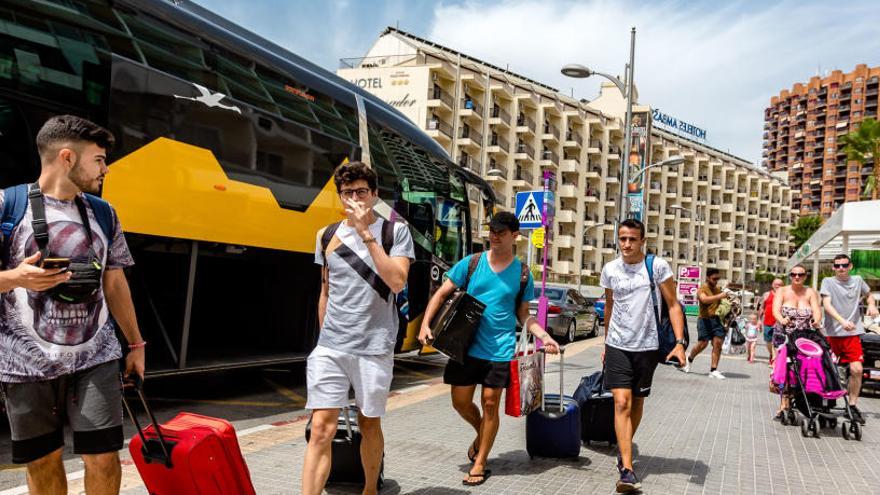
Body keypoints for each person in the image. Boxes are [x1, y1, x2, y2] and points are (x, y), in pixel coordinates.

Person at [0, 115, 143, 495]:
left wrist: (136, 344)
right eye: (98, 159)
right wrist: (15, 278)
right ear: (67, 157)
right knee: (43, 461)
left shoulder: (103, 213)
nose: (105, 168)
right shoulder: (6, 204)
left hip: (95, 358)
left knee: (104, 459)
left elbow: (115, 281)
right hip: (24, 364)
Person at [418, 211, 560, 487]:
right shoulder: (471, 263)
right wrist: (425, 325)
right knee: (460, 402)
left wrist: (543, 335)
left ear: (514, 236)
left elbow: (523, 314)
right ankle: (481, 433)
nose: (494, 236)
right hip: (464, 346)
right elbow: (442, 293)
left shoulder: (521, 274)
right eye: (491, 231)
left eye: (500, 232)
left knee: (491, 404)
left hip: (500, 349)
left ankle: (480, 462)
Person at [302, 162, 414, 495]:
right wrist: (323, 340)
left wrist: (366, 234)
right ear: (339, 197)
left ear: (374, 194)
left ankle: (368, 489)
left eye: (361, 192)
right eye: (348, 193)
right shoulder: (325, 235)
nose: (355, 199)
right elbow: (326, 291)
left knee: (369, 422)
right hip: (332, 347)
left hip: (374, 347)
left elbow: (396, 281)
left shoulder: (396, 232)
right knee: (321, 429)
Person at [600, 218, 686, 493]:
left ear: (642, 241)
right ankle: (627, 468)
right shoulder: (610, 269)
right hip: (617, 344)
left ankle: (624, 447)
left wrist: (680, 342)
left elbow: (673, 304)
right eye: (622, 238)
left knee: (636, 402)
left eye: (632, 239)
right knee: (621, 402)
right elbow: (610, 304)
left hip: (648, 345)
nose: (626, 244)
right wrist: (605, 342)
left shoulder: (657, 266)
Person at [820, 254, 879, 425]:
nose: (840, 268)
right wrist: (841, 321)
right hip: (831, 334)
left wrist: (872, 305)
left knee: (857, 370)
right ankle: (825, 402)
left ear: (850, 266)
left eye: (844, 265)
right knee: (826, 370)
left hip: (852, 335)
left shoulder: (858, 280)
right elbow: (827, 304)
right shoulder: (828, 282)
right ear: (833, 267)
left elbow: (869, 295)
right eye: (837, 265)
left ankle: (852, 406)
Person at [771, 264, 823, 419]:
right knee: (784, 370)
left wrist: (816, 320)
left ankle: (803, 400)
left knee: (801, 370)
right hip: (784, 335)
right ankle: (783, 403)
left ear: (805, 276)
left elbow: (817, 311)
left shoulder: (810, 292)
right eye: (793, 274)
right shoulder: (782, 291)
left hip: (804, 338)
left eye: (800, 275)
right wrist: (782, 319)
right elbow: (775, 310)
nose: (797, 277)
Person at [683, 268, 729, 378]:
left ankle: (713, 370)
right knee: (703, 344)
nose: (716, 281)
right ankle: (689, 358)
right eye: (714, 279)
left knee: (717, 344)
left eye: (718, 279)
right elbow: (704, 300)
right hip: (704, 320)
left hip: (717, 320)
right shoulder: (702, 289)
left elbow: (723, 303)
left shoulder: (718, 289)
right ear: (708, 277)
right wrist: (720, 296)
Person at [759, 278, 784, 367]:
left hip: (779, 323)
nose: (777, 286)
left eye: (780, 284)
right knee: (768, 341)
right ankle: (771, 354)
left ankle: (774, 359)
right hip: (767, 322)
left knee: (776, 342)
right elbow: (762, 308)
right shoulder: (766, 294)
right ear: (772, 284)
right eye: (776, 284)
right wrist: (759, 320)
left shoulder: (784, 295)